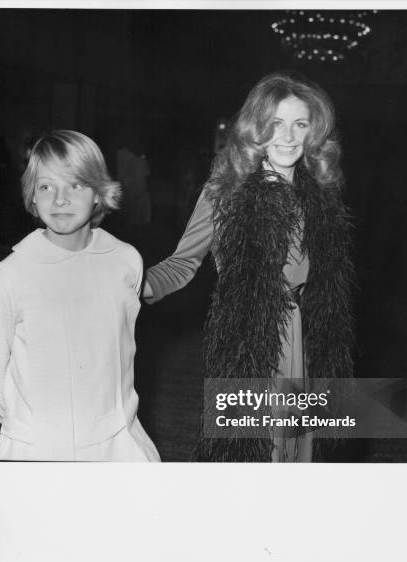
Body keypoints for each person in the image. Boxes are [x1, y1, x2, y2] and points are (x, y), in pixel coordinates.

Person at [144, 71, 354, 462]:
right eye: (275, 124)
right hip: (250, 340)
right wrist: (128, 285)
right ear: (256, 129)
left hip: (311, 340)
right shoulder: (224, 191)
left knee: (303, 450)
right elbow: (182, 262)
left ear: (314, 132)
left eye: (299, 124)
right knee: (251, 454)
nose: (288, 136)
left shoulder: (322, 196)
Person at [0, 130, 160, 462]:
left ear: (98, 193)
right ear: (32, 197)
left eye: (75, 185)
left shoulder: (126, 260)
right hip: (40, 450)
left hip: (119, 445)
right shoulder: (7, 278)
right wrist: (38, 430)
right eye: (46, 186)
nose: (59, 200)